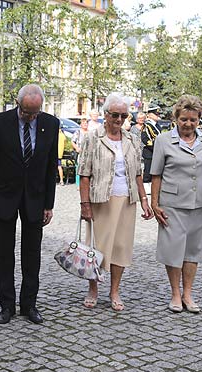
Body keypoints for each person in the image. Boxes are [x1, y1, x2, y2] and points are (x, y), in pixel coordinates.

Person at [0, 84, 59, 325]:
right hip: (5, 196)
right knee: (4, 254)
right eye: (26, 113)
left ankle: (29, 304)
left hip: (35, 198)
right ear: (18, 105)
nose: (31, 117)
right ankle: (6, 305)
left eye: (35, 113)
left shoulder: (51, 124)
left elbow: (49, 166)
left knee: (32, 253)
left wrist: (49, 203)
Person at [78, 92, 153, 312]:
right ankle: (93, 288)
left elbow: (138, 173)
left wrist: (144, 200)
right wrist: (85, 205)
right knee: (97, 247)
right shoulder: (93, 137)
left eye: (124, 116)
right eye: (115, 115)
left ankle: (115, 290)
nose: (119, 120)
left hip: (127, 199)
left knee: (121, 247)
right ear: (105, 114)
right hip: (101, 199)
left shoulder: (132, 139)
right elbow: (84, 174)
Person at [150, 95, 202, 313]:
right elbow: (156, 174)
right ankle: (175, 294)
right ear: (175, 119)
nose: (188, 124)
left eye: (193, 119)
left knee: (193, 251)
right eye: (184, 119)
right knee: (173, 250)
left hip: (200, 203)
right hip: (171, 204)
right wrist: (154, 202)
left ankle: (188, 294)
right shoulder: (163, 140)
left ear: (199, 119)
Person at [141, 105, 161, 194]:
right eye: (155, 114)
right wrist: (156, 148)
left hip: (156, 151)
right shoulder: (147, 125)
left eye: (158, 114)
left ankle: (153, 186)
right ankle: (146, 186)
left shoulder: (157, 125)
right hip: (150, 151)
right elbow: (145, 139)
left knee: (155, 169)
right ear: (149, 115)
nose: (158, 115)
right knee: (148, 170)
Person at [71, 117, 89, 188]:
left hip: (88, 153)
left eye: (86, 123)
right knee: (79, 168)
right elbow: (72, 141)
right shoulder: (78, 132)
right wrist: (77, 148)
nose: (85, 124)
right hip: (80, 153)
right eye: (83, 123)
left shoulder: (90, 132)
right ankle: (78, 184)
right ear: (81, 124)